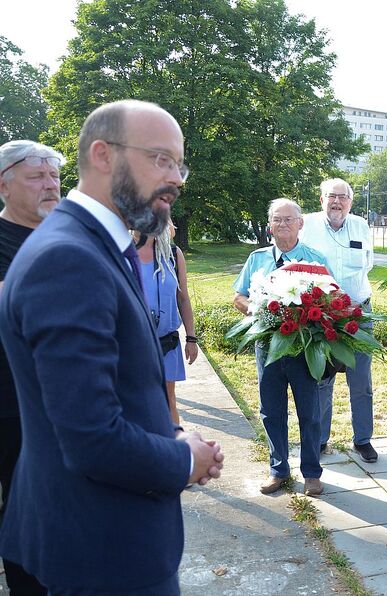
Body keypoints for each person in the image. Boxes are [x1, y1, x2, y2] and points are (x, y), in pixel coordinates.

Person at [0, 100, 224, 593]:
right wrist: (186, 461)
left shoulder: (98, 243)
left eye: (178, 164)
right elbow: (92, 438)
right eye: (161, 159)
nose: (176, 179)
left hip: (104, 534)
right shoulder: (68, 257)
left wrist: (172, 434)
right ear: (103, 155)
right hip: (100, 550)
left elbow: (121, 386)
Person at [0, 139, 63, 595]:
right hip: (14, 401)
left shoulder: (69, 234)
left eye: (54, 176)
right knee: (23, 500)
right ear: (4, 185)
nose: (50, 185)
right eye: (37, 176)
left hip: (73, 393)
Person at [233, 198, 329, 496]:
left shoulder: (314, 261)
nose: (283, 224)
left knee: (310, 412)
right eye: (277, 219)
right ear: (269, 225)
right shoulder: (257, 258)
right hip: (268, 348)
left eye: (288, 219)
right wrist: (257, 309)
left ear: (300, 224)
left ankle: (312, 473)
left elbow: (331, 301)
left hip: (303, 349)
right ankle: (278, 470)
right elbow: (238, 297)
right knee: (271, 411)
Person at [299, 178, 378, 463]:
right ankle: (320, 440)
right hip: (323, 316)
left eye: (342, 197)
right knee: (322, 379)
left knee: (361, 380)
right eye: (331, 196)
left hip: (359, 313)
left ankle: (363, 439)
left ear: (350, 202)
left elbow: (367, 264)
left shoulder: (360, 225)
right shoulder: (306, 225)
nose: (337, 202)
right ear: (321, 199)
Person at [135, 221, 197, 424]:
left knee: (168, 401)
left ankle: (173, 443)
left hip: (166, 343)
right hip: (133, 345)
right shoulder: (120, 252)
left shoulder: (172, 253)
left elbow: (183, 298)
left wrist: (191, 338)